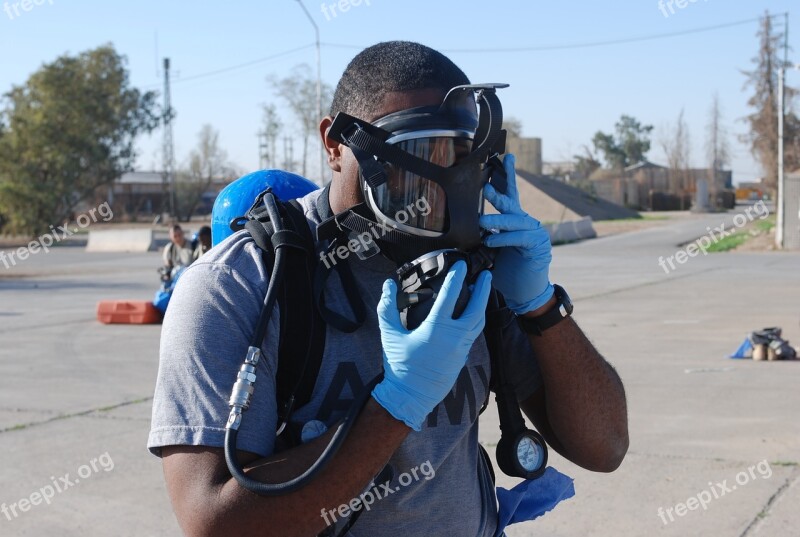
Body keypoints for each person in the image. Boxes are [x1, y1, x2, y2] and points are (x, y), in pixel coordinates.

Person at [148, 41, 629, 537]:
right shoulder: (239, 286)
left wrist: (540, 306)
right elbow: (214, 523)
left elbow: (605, 446)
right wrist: (398, 404)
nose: (434, 189)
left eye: (458, 157)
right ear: (335, 144)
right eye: (415, 156)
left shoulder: (475, 272)